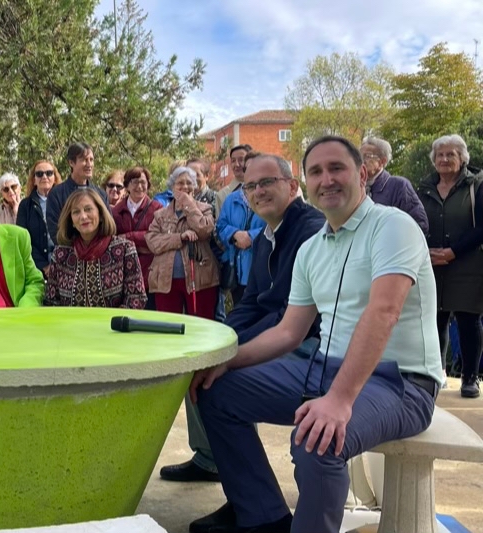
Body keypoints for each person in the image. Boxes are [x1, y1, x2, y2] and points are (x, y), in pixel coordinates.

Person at [191, 136, 442, 533]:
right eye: (316, 172)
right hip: (323, 366)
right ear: (305, 184)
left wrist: (339, 400)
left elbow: (384, 312)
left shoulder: (394, 226)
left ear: (362, 174)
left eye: (337, 168)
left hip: (401, 382)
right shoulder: (313, 248)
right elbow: (289, 332)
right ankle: (264, 517)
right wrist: (224, 363)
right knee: (214, 392)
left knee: (317, 440)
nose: (327, 179)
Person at [161, 155, 324, 499]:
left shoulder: (310, 230)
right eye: (251, 186)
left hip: (309, 348)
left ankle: (255, 507)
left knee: (215, 385)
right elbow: (251, 302)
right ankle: (211, 461)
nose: (258, 191)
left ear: (293, 186)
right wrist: (217, 341)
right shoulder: (268, 232)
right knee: (199, 364)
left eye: (267, 183)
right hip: (281, 338)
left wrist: (229, 353)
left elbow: (284, 317)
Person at [417, 134, 483, 398]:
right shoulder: (423, 187)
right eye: (440, 155)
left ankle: (470, 378)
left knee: (468, 320)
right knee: (435, 319)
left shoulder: (476, 185)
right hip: (431, 263)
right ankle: (437, 374)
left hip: (467, 263)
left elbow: (482, 228)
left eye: (451, 154)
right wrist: (424, 248)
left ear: (462, 158)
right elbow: (414, 221)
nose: (444, 159)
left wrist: (453, 252)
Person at [45, 188, 146, 309]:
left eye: (88, 209)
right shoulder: (61, 254)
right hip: (70, 326)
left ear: (101, 214)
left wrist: (112, 322)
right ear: (71, 220)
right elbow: (51, 301)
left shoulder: (124, 250)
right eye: (76, 212)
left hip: (112, 326)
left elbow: (136, 297)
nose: (83, 216)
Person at [146, 166, 218, 320]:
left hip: (200, 279)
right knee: (168, 326)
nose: (185, 186)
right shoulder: (160, 215)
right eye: (180, 183)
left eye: (189, 183)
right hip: (166, 281)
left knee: (201, 324)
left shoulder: (205, 209)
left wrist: (189, 206)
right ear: (172, 188)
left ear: (195, 186)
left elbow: (204, 230)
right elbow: (152, 241)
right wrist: (180, 237)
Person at [216, 149, 266, 305]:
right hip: (238, 272)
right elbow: (221, 226)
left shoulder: (270, 196)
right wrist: (235, 234)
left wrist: (251, 236)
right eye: (247, 169)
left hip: (264, 270)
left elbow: (280, 224)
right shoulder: (232, 199)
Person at [112, 166, 162, 310]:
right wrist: (140, 241)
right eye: (134, 182)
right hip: (124, 271)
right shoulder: (116, 211)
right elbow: (113, 239)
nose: (139, 186)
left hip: (150, 271)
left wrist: (128, 237)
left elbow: (156, 238)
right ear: (127, 185)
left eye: (143, 182)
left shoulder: (157, 209)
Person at [360, 138, 428, 233]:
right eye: (358, 156)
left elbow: (419, 224)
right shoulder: (355, 187)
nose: (361, 161)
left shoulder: (399, 186)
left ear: (382, 162)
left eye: (367, 156)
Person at [46, 142, 108, 242]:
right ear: (71, 162)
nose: (89, 164)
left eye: (91, 160)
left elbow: (107, 225)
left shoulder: (100, 194)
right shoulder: (56, 194)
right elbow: (55, 231)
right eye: (84, 160)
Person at [16, 160, 62, 276]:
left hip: (64, 265)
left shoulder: (65, 201)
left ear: (55, 178)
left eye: (49, 173)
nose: (44, 177)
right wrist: (44, 266)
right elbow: (23, 239)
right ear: (34, 180)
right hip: (36, 269)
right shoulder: (25, 206)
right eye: (39, 174)